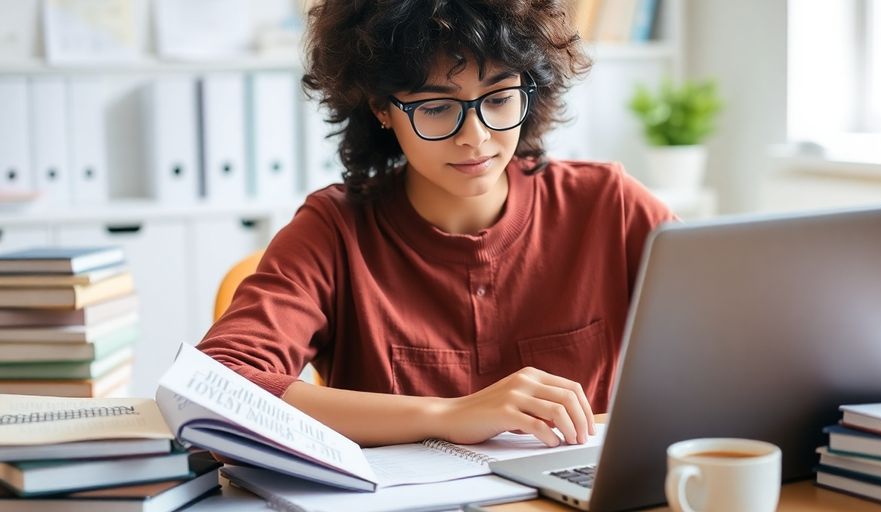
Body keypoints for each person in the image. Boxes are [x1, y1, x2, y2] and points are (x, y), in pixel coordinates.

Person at [197, 0, 675, 449]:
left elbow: (718, 347)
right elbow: (212, 387)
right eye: (436, 107)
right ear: (381, 109)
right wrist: (447, 415)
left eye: (500, 98)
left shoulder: (610, 207)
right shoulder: (333, 232)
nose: (476, 136)